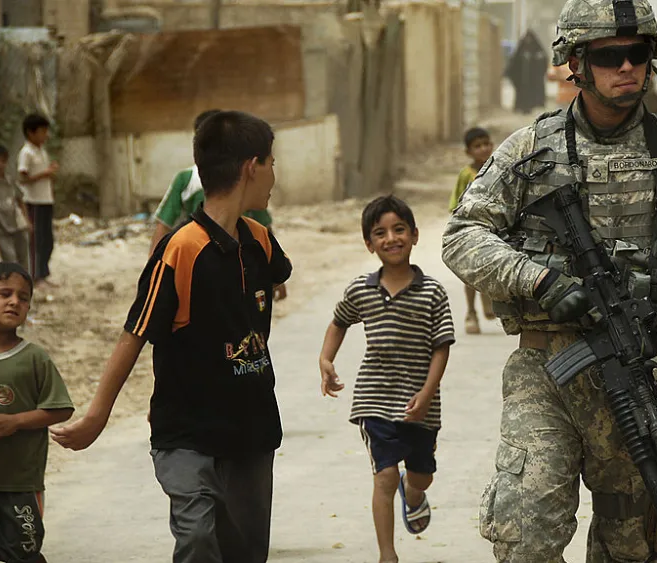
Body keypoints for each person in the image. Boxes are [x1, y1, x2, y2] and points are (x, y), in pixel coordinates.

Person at [442, 0, 657, 560]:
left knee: (631, 542)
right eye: (611, 56)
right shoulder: (530, 150)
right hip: (546, 373)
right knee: (526, 533)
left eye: (637, 55)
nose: (627, 68)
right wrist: (541, 282)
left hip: (636, 379)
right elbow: (462, 236)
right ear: (576, 63)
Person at [50, 111, 293, 563]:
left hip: (252, 430)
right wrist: (96, 417)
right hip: (187, 433)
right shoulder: (181, 249)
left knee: (245, 552)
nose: (275, 174)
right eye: (273, 162)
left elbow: (266, 295)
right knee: (198, 537)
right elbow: (135, 332)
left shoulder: (260, 240)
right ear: (251, 167)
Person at [319, 195, 454, 563]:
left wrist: (427, 393)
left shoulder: (432, 292)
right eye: (380, 233)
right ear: (369, 243)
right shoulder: (361, 289)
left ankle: (414, 495)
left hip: (420, 402)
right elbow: (339, 322)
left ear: (414, 235)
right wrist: (326, 359)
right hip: (374, 398)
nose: (390, 238)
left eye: (399, 230)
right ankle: (387, 555)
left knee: (420, 475)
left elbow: (442, 347)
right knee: (385, 476)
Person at [150, 109, 287, 301]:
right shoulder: (182, 246)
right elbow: (163, 224)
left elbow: (264, 224)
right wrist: (154, 269)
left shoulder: (256, 234)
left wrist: (274, 274)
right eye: (271, 165)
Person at [0, 261, 75, 563]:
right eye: (5, 293)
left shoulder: (32, 358)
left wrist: (16, 422)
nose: (15, 301)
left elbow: (59, 408)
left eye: (24, 298)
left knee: (22, 554)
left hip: (18, 484)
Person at [449, 127, 496, 334]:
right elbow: (455, 203)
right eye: (477, 146)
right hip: (471, 229)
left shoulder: (498, 169)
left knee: (490, 267)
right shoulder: (466, 175)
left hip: (494, 228)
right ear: (468, 152)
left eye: (486, 144)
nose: (483, 149)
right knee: (469, 273)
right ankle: (471, 312)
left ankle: (488, 299)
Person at [17, 114, 59, 287]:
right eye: (42, 131)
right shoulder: (26, 152)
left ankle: (43, 272)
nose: (45, 135)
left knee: (47, 240)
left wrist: (50, 174)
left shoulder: (41, 150)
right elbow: (23, 178)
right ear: (31, 133)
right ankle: (35, 276)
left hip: (45, 200)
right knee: (36, 241)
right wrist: (46, 173)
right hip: (33, 201)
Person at [0, 144, 32, 272]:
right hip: (1, 227)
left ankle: (25, 284)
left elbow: (20, 200)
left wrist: (26, 220)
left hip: (17, 224)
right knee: (9, 259)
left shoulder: (10, 180)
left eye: (3, 161)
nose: (0, 164)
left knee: (23, 257)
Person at [506, 30, 549, 114]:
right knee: (522, 94)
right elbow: (514, 63)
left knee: (531, 95)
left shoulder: (537, 50)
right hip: (522, 79)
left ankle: (530, 107)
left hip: (533, 79)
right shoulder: (521, 49)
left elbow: (543, 60)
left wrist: (537, 59)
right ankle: (521, 107)